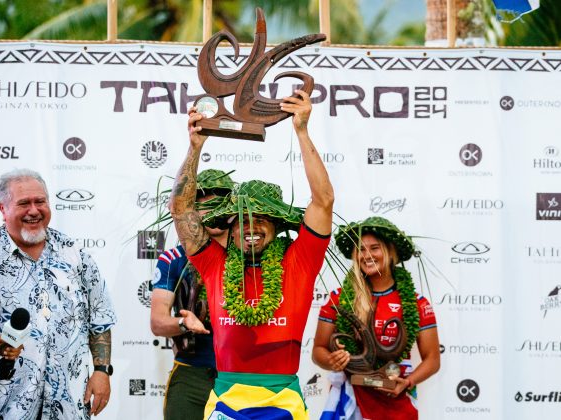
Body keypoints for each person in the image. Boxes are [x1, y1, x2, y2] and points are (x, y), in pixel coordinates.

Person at [170, 90, 334, 419]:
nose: (251, 227)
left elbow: (324, 201)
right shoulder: (214, 263)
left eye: (261, 220)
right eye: (242, 220)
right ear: (228, 230)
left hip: (283, 403)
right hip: (225, 403)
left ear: (277, 227)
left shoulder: (299, 260)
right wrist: (195, 147)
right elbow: (181, 209)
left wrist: (301, 131)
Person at [0, 169, 117, 419]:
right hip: (5, 404)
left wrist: (101, 370)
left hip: (70, 404)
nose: (34, 210)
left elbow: (100, 316)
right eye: (24, 203)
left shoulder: (74, 254)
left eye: (40, 201)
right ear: (2, 208)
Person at [312, 216, 440, 420]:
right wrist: (332, 360)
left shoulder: (416, 302)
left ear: (390, 252)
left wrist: (408, 382)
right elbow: (318, 351)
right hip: (351, 402)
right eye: (361, 249)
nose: (367, 255)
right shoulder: (340, 299)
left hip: (398, 402)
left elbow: (433, 359)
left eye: (375, 248)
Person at [150, 168, 234, 420]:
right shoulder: (174, 259)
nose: (211, 213)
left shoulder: (250, 257)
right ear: (191, 213)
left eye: (218, 205)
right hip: (191, 376)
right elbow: (157, 322)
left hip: (239, 378)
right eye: (202, 207)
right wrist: (183, 322)